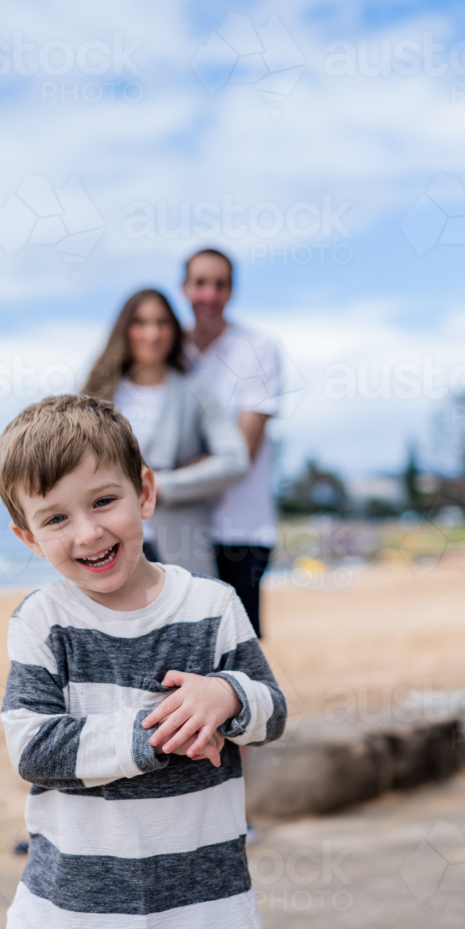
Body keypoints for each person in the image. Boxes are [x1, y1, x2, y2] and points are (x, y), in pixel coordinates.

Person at [0, 394, 287, 929]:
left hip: (198, 913)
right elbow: (34, 748)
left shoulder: (211, 604)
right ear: (28, 537)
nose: (87, 533)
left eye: (104, 501)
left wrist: (228, 696)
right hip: (76, 919)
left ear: (144, 492)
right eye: (56, 518)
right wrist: (157, 731)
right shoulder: (43, 620)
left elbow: (272, 712)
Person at [82, 288, 249, 576]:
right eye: (141, 323)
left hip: (180, 540)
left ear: (174, 330)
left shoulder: (194, 390)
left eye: (162, 323)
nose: (152, 333)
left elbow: (235, 460)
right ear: (125, 329)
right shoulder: (99, 390)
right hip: (107, 541)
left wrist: (162, 485)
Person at [183, 249, 281, 639]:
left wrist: (163, 480)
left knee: (241, 649)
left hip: (242, 528)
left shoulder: (257, 350)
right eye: (200, 283)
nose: (209, 294)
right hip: (180, 528)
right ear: (185, 288)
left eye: (219, 284)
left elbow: (242, 452)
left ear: (232, 291)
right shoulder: (171, 353)